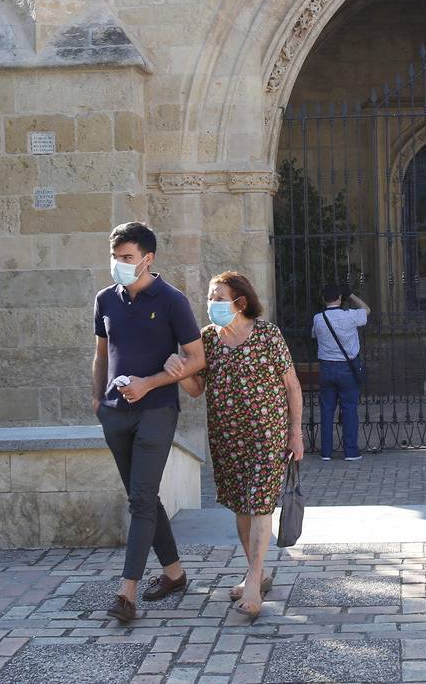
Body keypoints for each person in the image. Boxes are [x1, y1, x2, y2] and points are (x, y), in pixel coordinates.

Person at [166, 271, 303, 623]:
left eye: (218, 296)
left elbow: (292, 387)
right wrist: (179, 371)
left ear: (239, 302)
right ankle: (255, 572)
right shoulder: (207, 340)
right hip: (227, 437)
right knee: (242, 506)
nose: (211, 303)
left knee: (259, 504)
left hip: (266, 436)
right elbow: (197, 389)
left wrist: (295, 433)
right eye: (210, 296)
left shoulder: (268, 335)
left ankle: (254, 585)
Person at [92, 222, 206, 625]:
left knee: (140, 500)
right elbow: (102, 352)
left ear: (148, 258)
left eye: (127, 258)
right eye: (115, 257)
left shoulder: (172, 300)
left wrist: (150, 383)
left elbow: (196, 359)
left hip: (157, 410)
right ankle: (174, 573)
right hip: (114, 414)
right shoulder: (105, 299)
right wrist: (97, 398)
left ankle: (126, 593)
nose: (119, 264)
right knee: (145, 499)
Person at [311, 284, 369, 461]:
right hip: (347, 367)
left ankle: (326, 452)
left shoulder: (318, 318)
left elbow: (314, 335)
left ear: (323, 299)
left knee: (327, 409)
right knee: (349, 408)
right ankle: (350, 451)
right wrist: (351, 295)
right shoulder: (350, 316)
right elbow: (367, 309)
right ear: (340, 298)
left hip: (327, 367)